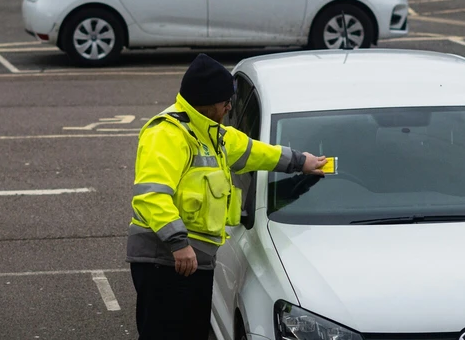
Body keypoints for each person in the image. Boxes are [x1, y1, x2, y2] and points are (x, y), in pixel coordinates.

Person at [126, 53, 328, 340]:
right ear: (207, 103)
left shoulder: (213, 133)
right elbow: (151, 196)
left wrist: (299, 161)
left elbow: (255, 151)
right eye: (225, 102)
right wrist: (178, 243)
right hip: (167, 261)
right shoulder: (168, 134)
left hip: (194, 261)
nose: (230, 107)